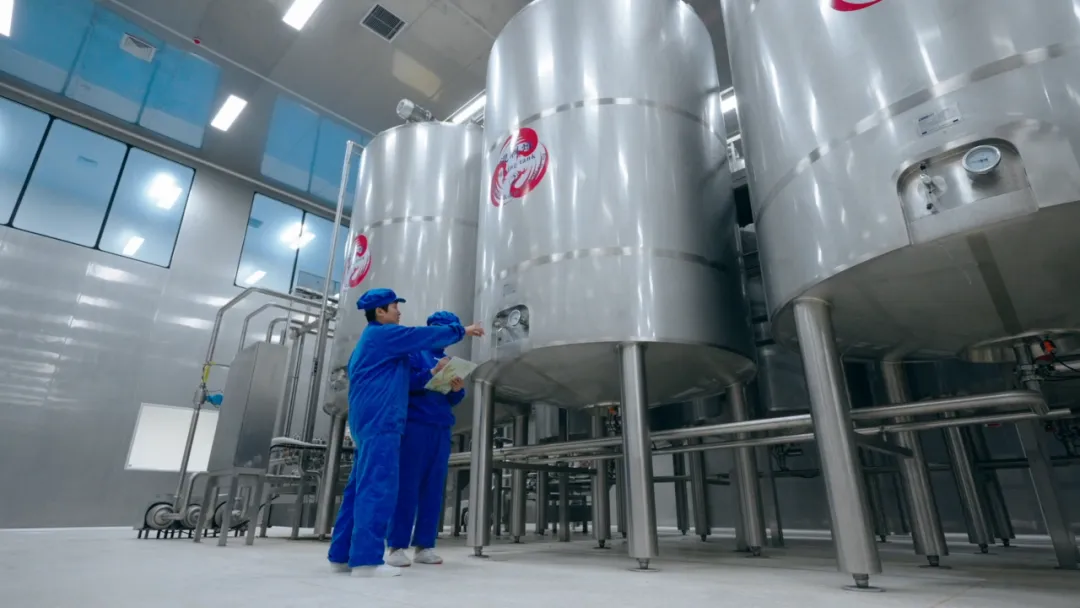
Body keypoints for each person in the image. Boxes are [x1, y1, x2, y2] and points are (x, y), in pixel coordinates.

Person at [327, 289, 484, 578]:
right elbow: (420, 336)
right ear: (380, 312)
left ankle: (342, 556)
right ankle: (366, 562)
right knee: (378, 489)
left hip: (371, 420)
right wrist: (464, 329)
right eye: (394, 307)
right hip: (383, 421)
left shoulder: (376, 340)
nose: (399, 312)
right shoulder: (384, 335)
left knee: (359, 489)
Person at [385, 311, 468, 567]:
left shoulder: (448, 360)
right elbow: (404, 383)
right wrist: (432, 371)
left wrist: (457, 390)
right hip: (415, 426)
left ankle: (425, 545)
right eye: (442, 330)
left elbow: (452, 399)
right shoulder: (413, 353)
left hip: (441, 428)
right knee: (407, 486)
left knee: (434, 489)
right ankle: (397, 546)